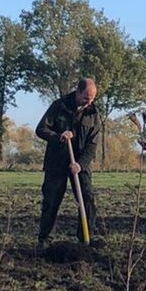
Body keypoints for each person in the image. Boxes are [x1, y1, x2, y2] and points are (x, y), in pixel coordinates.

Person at [35, 79, 102, 247]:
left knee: (87, 198)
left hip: (80, 165)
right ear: (78, 92)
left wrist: (80, 164)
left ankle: (85, 239)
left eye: (92, 98)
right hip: (56, 162)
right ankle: (45, 239)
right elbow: (41, 129)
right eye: (86, 97)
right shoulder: (59, 106)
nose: (89, 102)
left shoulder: (93, 113)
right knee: (51, 200)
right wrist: (59, 137)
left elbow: (92, 144)